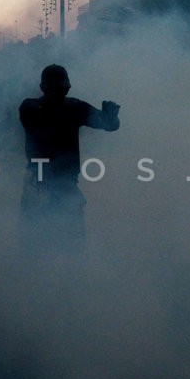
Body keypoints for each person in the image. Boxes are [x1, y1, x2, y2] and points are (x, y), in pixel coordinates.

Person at [18, 64, 120, 253]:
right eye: (55, 88)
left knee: (70, 243)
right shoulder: (32, 107)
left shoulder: (73, 108)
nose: (59, 93)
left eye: (61, 89)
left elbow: (109, 125)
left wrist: (111, 117)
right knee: (35, 242)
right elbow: (48, 115)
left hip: (64, 183)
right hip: (39, 182)